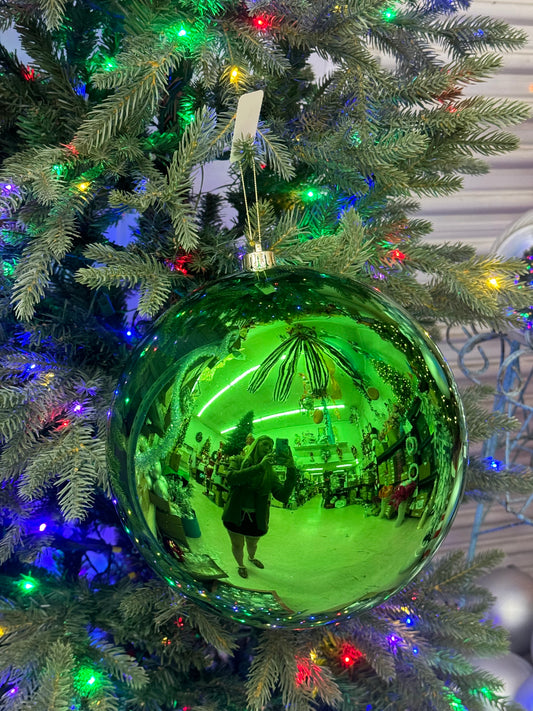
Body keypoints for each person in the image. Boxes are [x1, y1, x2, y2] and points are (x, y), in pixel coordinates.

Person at [222, 435, 296, 579]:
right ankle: (241, 565)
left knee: (252, 544)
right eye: (265, 444)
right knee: (237, 545)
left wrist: (291, 469)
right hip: (235, 514)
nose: (268, 448)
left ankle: (251, 558)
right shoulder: (238, 460)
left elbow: (282, 496)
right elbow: (231, 478)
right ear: (256, 445)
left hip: (257, 519)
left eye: (271, 446)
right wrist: (260, 467)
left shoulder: (271, 473)